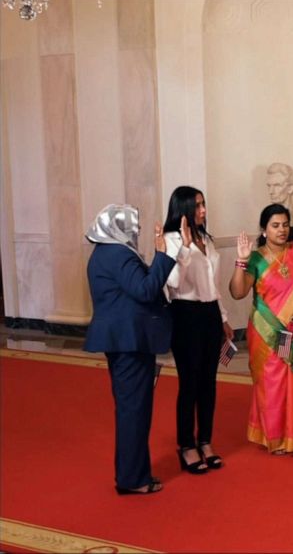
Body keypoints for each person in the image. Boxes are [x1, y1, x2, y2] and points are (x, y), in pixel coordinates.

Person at [84, 204, 184, 494]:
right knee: (134, 411)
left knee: (132, 409)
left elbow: (136, 288)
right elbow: (145, 290)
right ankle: (133, 479)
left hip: (123, 340)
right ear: (116, 229)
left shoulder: (105, 253)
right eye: (131, 228)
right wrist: (164, 256)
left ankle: (134, 474)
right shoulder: (117, 254)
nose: (135, 234)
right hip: (129, 341)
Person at [230, 204, 293, 454]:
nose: (282, 230)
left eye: (285, 224)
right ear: (264, 229)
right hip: (267, 334)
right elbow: (238, 292)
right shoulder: (256, 258)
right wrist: (241, 260)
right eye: (275, 225)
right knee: (272, 385)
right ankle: (275, 437)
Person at [163, 186, 234, 474]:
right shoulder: (171, 240)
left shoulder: (207, 238)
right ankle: (186, 445)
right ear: (183, 210)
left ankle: (205, 440)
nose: (203, 211)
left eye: (203, 204)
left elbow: (214, 285)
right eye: (197, 206)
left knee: (209, 383)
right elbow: (173, 283)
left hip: (209, 315)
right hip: (185, 314)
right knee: (189, 384)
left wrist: (224, 318)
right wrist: (184, 250)